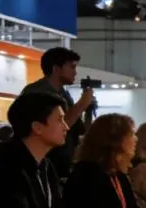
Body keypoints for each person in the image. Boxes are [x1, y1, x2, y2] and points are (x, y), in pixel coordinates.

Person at [20, 47, 94, 177]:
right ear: (56, 69)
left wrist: (87, 108)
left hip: (62, 161)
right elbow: (56, 127)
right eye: (71, 67)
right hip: (45, 161)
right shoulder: (37, 92)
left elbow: (78, 129)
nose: (75, 72)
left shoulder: (64, 94)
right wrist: (81, 104)